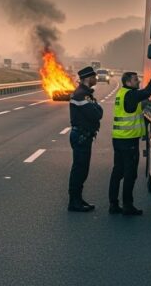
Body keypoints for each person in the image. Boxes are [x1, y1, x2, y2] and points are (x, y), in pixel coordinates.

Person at [108, 69, 151, 215]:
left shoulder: (121, 93)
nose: (138, 81)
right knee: (130, 174)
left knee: (117, 172)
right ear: (128, 82)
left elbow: (133, 108)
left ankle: (113, 204)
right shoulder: (131, 94)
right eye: (135, 79)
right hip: (129, 140)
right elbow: (148, 91)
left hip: (118, 139)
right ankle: (127, 206)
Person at [67, 66, 103, 212]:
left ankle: (78, 199)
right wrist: (96, 108)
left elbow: (97, 111)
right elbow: (96, 114)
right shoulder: (81, 95)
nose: (96, 79)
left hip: (84, 136)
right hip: (81, 136)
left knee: (82, 169)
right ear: (88, 78)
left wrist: (96, 108)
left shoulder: (86, 94)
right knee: (79, 169)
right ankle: (74, 202)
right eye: (94, 76)